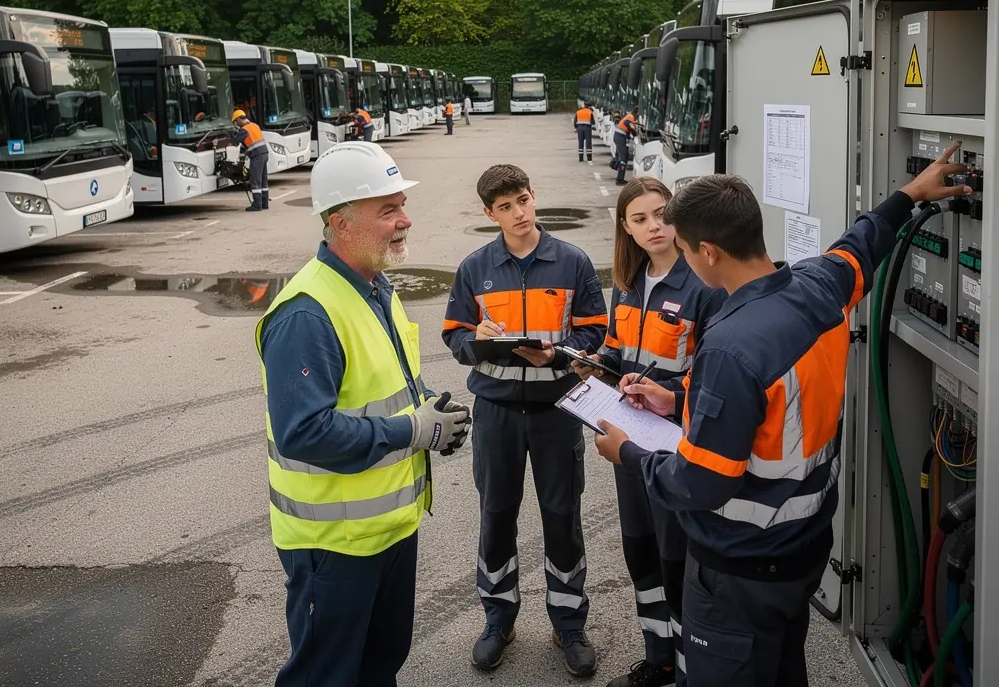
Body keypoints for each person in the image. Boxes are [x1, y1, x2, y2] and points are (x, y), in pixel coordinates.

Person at [593, 144, 972, 687]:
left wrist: (628, 454)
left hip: (741, 566)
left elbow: (703, 482)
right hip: (805, 545)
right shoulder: (818, 284)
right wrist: (910, 193)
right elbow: (862, 244)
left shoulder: (730, 346)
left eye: (685, 249)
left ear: (707, 252)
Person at [256, 141, 472, 687]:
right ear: (340, 223)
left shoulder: (375, 284)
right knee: (326, 676)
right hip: (334, 543)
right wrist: (412, 430)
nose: (405, 220)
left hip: (389, 528)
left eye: (402, 206)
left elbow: (384, 384)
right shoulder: (306, 313)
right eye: (388, 210)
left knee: (380, 665)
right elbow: (305, 432)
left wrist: (430, 413)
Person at [443, 164, 609, 677]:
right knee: (496, 515)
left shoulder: (572, 261)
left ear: (534, 196)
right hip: (496, 414)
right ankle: (499, 620)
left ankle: (569, 623)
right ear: (489, 213)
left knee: (562, 515)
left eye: (523, 199)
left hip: (557, 412)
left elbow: (595, 330)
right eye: (505, 207)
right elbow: (454, 335)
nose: (518, 212)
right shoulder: (475, 267)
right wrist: (476, 339)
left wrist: (558, 354)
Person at [572, 177, 724, 687]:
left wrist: (666, 392)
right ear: (626, 228)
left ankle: (687, 670)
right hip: (628, 442)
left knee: (677, 561)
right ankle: (658, 659)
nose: (654, 226)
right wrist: (596, 363)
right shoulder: (628, 283)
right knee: (642, 554)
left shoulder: (702, 286)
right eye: (640, 219)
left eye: (661, 214)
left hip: (675, 445)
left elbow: (710, 374)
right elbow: (618, 352)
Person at [232, 108, 269, 212]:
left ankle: (257, 205)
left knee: (255, 180)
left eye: (236, 122)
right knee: (263, 180)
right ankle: (264, 203)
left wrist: (232, 135)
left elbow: (235, 142)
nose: (236, 124)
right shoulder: (255, 125)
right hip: (264, 154)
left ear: (239, 119)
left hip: (257, 156)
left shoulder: (244, 130)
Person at [613, 110, 637, 185]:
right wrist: (633, 132)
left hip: (620, 137)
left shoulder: (630, 117)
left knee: (624, 156)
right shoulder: (631, 116)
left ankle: (616, 166)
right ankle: (619, 180)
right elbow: (626, 123)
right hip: (620, 137)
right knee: (623, 158)